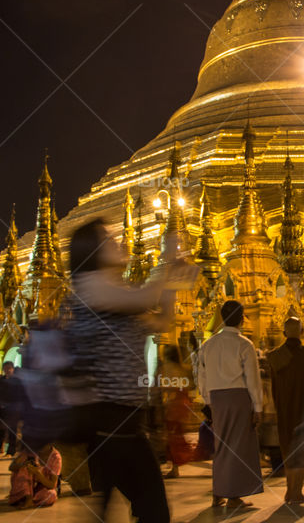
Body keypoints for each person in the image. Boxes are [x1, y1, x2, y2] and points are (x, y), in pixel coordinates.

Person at [65, 218, 193, 523]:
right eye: (108, 240)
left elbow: (160, 322)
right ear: (92, 252)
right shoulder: (90, 287)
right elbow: (145, 298)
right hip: (109, 422)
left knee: (120, 509)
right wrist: (166, 257)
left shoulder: (113, 292)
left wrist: (174, 279)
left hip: (122, 423)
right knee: (152, 508)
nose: (118, 242)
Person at [197, 300, 264, 509]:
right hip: (239, 398)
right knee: (238, 447)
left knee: (221, 445)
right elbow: (252, 379)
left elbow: (201, 376)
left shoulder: (208, 345)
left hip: (216, 398)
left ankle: (219, 493)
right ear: (242, 318)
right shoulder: (244, 344)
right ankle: (233, 496)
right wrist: (258, 407)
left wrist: (208, 401)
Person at [266, 316, 304, 504]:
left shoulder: (274, 357)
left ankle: (289, 490)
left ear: (284, 333)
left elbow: (270, 387)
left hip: (283, 411)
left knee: (287, 447)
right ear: (302, 333)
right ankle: (296, 492)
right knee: (301, 450)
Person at [161, 344, 197, 479]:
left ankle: (176, 466)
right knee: (177, 435)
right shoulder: (183, 368)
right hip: (183, 403)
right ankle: (176, 466)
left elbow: (164, 387)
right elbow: (190, 385)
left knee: (172, 437)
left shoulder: (167, 368)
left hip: (174, 403)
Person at [7, 443, 61, 508]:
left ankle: (29, 501)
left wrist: (37, 473)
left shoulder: (55, 457)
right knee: (24, 468)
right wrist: (23, 465)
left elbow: (52, 485)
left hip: (39, 489)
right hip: (23, 487)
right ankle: (27, 498)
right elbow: (11, 467)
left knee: (51, 495)